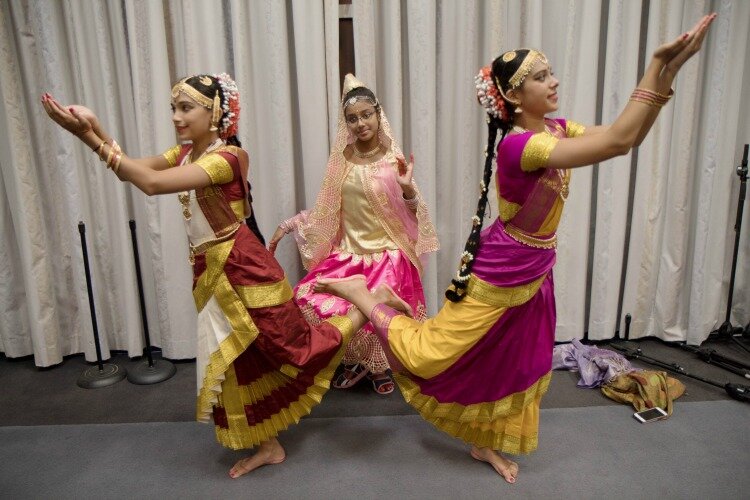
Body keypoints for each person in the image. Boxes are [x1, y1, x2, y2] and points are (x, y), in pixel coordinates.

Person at [315, 14, 716, 484]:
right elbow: (618, 142)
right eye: (540, 77)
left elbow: (627, 136)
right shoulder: (522, 147)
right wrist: (656, 66)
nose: (553, 81)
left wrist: (668, 76)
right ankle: (365, 295)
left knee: (513, 357)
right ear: (511, 95)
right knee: (429, 354)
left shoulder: (557, 130)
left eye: (549, 73)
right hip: (502, 270)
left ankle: (484, 442)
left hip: (535, 267)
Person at [40, 73, 394, 479]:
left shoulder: (225, 159)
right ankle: (269, 445)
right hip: (211, 269)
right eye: (174, 107)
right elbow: (133, 170)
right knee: (238, 358)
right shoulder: (187, 153)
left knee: (292, 348)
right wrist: (92, 130)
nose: (176, 116)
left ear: (215, 113)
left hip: (242, 266)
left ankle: (366, 307)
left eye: (185, 107)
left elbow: (151, 184)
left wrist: (87, 135)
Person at [268, 74, 439, 395]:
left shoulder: (393, 159)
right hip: (346, 256)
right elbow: (327, 210)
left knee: (378, 305)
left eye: (366, 115)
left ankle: (379, 366)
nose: (360, 123)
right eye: (352, 118)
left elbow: (415, 216)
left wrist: (408, 192)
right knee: (310, 299)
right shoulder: (341, 161)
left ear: (378, 114)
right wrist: (290, 224)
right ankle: (355, 362)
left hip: (387, 256)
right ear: (345, 123)